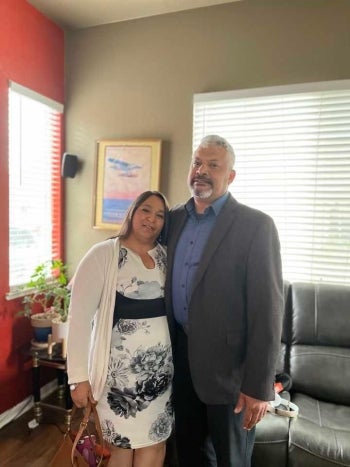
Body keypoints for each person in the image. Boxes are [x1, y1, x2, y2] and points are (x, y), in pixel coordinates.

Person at [165, 135, 283, 467]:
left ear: (230, 176)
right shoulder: (173, 219)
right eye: (197, 162)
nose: (201, 171)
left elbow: (268, 312)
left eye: (213, 165)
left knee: (232, 461)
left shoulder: (256, 226)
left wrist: (260, 387)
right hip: (181, 366)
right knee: (189, 456)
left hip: (230, 377)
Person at [67, 191, 173, 467]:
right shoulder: (104, 254)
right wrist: (78, 378)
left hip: (160, 382)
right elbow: (78, 319)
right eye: (146, 210)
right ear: (132, 212)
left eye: (160, 215)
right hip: (118, 386)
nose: (152, 219)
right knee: (120, 451)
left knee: (155, 444)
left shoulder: (166, 257)